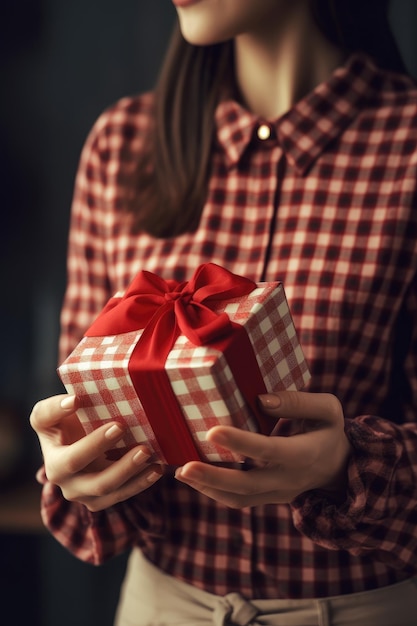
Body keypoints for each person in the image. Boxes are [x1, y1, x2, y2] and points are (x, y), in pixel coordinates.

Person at [30, 0, 417, 624]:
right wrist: (80, 469)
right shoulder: (121, 143)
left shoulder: (406, 147)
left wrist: (347, 464)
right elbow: (84, 409)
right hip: (159, 605)